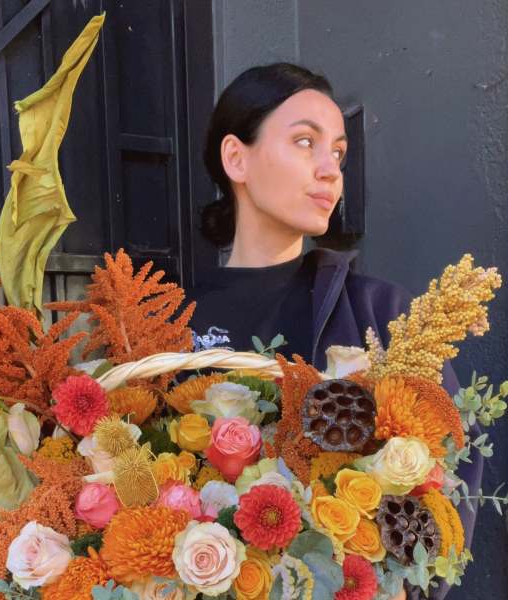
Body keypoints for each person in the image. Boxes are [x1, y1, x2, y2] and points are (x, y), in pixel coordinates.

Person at [187, 63, 482, 600]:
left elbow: (452, 485)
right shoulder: (171, 321)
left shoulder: (384, 315)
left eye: (339, 153)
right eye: (306, 142)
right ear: (237, 158)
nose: (330, 170)